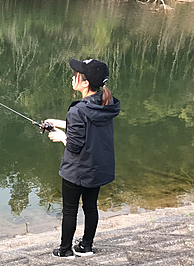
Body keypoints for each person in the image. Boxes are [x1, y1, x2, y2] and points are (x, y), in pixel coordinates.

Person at [45, 59, 121, 259]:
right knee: (90, 207)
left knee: (70, 211)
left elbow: (74, 145)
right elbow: (87, 126)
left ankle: (65, 250)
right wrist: (58, 123)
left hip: (77, 170)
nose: (73, 77)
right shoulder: (106, 103)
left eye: (76, 74)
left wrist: (61, 136)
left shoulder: (77, 110)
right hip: (96, 168)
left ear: (85, 83)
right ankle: (86, 247)